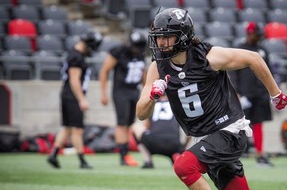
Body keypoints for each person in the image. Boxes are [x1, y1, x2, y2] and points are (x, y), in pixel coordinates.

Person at [136, 8, 287, 190]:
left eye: (168, 37)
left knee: (184, 166)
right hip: (205, 137)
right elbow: (141, 113)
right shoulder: (157, 67)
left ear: (184, 36)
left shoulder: (208, 57)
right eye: (158, 37)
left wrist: (275, 94)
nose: (161, 42)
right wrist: (152, 96)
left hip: (230, 129)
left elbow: (253, 58)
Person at [47, 30, 103, 169]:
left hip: (67, 94)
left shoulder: (74, 54)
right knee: (77, 129)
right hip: (72, 95)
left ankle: (53, 155)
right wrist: (81, 99)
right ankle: (82, 161)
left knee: (67, 127)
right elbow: (74, 80)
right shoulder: (76, 57)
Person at [99, 30, 148, 166]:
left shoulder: (140, 54)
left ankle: (126, 154)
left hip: (134, 91)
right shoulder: (119, 51)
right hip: (120, 92)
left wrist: (147, 91)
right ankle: (123, 155)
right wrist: (103, 92)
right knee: (122, 123)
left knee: (130, 123)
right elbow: (104, 70)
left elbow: (143, 74)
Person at [230, 22, 274, 167]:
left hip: (260, 93)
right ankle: (235, 155)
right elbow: (233, 72)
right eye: (257, 34)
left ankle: (260, 154)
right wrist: (236, 91)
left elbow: (268, 72)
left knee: (259, 124)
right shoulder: (240, 49)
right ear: (250, 33)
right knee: (239, 124)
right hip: (244, 94)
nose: (259, 37)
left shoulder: (263, 50)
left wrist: (271, 90)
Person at [132, 97, 189, 168]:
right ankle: (177, 155)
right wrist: (183, 147)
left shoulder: (153, 103)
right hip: (174, 146)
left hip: (153, 143)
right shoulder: (177, 104)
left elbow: (147, 126)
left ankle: (148, 161)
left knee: (135, 126)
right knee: (189, 128)